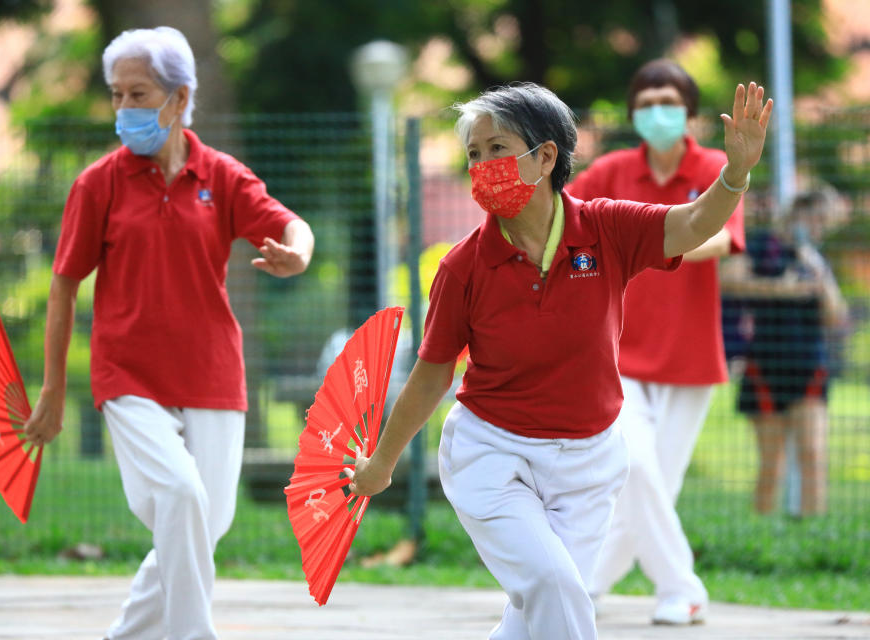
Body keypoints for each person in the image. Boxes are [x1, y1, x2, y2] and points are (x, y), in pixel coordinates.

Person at [348, 80, 772, 640]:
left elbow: (693, 224)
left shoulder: (607, 227)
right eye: (473, 154)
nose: (482, 165)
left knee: (535, 614)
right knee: (557, 588)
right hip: (491, 454)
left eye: (497, 149)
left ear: (546, 156)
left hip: (589, 462)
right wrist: (382, 461)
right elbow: (432, 374)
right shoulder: (462, 267)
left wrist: (735, 174)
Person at [22, 27, 314, 640]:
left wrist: (298, 253)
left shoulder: (222, 175)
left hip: (212, 371)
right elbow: (62, 286)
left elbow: (290, 224)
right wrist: (52, 390)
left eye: (139, 93)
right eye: (117, 94)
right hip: (127, 375)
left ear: (180, 99)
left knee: (205, 523)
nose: (124, 108)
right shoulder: (97, 184)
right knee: (181, 497)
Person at [566, 59, 745, 626]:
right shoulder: (611, 170)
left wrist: (638, 246)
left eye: (667, 101)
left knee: (651, 490)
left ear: (690, 112)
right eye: (644, 104)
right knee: (634, 468)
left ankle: (586, 585)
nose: (656, 113)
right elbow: (562, 222)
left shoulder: (716, 165)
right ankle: (684, 587)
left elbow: (720, 239)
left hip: (691, 358)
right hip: (617, 354)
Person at [721, 189, 848, 517]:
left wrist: (820, 275)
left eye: (825, 224)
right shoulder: (763, 244)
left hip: (809, 364)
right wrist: (782, 288)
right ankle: (766, 537)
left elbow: (836, 317)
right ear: (799, 212)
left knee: (813, 454)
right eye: (815, 219)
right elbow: (729, 279)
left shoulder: (815, 258)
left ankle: (812, 533)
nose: (818, 228)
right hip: (765, 362)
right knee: (772, 462)